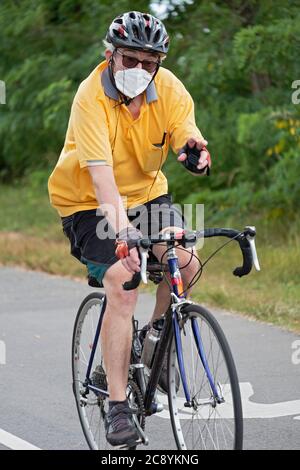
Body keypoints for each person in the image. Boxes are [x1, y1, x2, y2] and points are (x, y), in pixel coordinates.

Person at [48, 10, 211, 447]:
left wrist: (193, 150)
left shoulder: (170, 87)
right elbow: (102, 183)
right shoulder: (90, 97)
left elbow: (184, 129)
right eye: (130, 60)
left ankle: (156, 341)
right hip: (86, 201)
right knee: (124, 279)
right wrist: (123, 235)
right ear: (111, 55)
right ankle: (118, 408)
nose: (140, 70)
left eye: (149, 62)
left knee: (187, 263)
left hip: (147, 195)